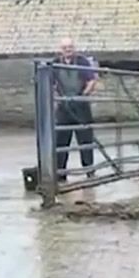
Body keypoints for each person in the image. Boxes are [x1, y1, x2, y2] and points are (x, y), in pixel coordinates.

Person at [52, 37, 99, 181]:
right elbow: (49, 83)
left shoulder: (82, 61)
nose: (68, 50)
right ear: (61, 50)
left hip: (80, 106)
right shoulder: (55, 63)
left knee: (85, 140)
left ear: (74, 48)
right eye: (65, 47)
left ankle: (89, 171)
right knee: (61, 141)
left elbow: (91, 80)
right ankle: (60, 173)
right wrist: (57, 98)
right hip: (64, 107)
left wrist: (82, 95)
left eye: (70, 47)